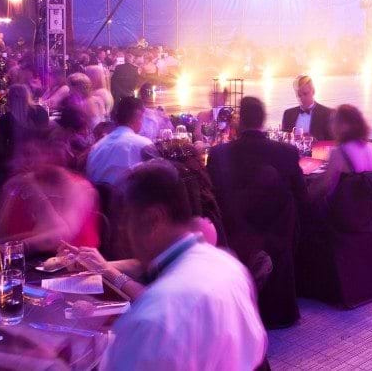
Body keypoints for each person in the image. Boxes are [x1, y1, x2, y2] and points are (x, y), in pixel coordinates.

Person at [88, 161, 267, 370]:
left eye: (125, 222)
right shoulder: (228, 264)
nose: (121, 237)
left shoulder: (152, 319)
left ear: (155, 219)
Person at [207, 96, 306, 329]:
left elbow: (213, 198)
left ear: (240, 121)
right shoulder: (287, 152)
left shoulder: (219, 154)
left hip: (235, 232)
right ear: (263, 120)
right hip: (278, 234)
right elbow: (302, 197)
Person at [0, 163, 100, 253]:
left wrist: (35, 192)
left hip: (75, 271)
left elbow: (59, 238)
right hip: (22, 269)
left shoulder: (78, 187)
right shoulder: (15, 185)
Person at [318, 104, 372, 197]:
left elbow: (324, 186)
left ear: (344, 126)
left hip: (344, 209)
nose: (331, 125)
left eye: (334, 121)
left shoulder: (338, 152)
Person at [86, 97, 159, 187]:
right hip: (131, 200)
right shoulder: (144, 145)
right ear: (139, 117)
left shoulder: (95, 148)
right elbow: (161, 178)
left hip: (100, 200)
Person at [281, 75, 333, 140]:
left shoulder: (327, 113)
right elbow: (283, 141)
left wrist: (314, 140)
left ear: (313, 91)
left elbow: (332, 142)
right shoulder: (288, 114)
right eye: (299, 95)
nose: (302, 98)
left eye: (305, 94)